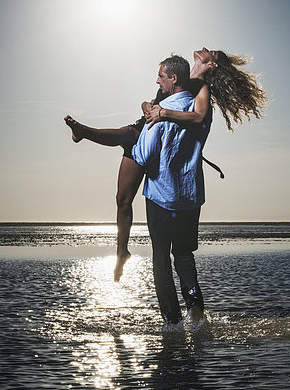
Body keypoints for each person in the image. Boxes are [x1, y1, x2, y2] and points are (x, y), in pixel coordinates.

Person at [64, 47, 268, 281]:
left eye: (211, 52)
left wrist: (163, 114)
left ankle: (83, 132)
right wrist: (149, 108)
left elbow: (199, 116)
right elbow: (149, 102)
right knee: (122, 199)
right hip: (147, 128)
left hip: (157, 139)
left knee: (128, 134)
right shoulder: (175, 77)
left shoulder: (201, 88)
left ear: (212, 65)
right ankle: (122, 251)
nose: (204, 48)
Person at [132, 54, 210, 327]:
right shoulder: (201, 107)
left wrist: (135, 138)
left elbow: (143, 155)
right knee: (185, 256)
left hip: (161, 198)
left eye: (161, 76)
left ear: (173, 78)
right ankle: (197, 315)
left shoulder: (159, 113)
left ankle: (172, 322)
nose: (157, 80)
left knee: (161, 258)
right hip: (189, 198)